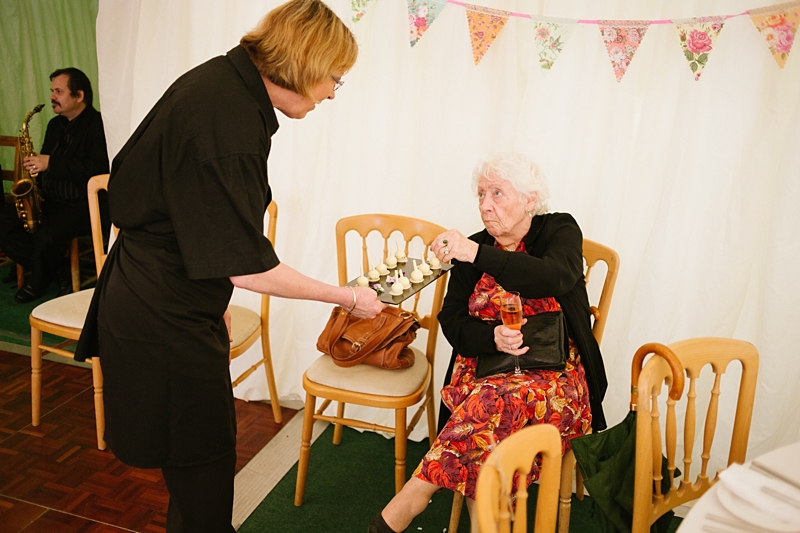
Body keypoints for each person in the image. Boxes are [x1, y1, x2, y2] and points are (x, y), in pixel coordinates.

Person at [75, 1, 384, 532]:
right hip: (161, 310)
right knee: (204, 469)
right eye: (335, 78)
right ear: (305, 66)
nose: (334, 91)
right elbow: (248, 267)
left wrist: (208, 292)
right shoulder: (230, 123)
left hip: (165, 292)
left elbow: (188, 214)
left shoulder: (219, 83)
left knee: (197, 470)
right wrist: (348, 297)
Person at [369, 152, 608, 533]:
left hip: (555, 376)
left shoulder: (557, 229)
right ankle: (491, 520)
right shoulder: (473, 247)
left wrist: (476, 253)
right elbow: (453, 321)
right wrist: (492, 336)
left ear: (530, 199)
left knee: (492, 405)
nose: (484, 205)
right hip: (484, 367)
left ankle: (411, 500)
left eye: (497, 193)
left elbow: (554, 278)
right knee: (490, 404)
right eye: (481, 194)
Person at [0, 67, 109, 303]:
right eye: (52, 91)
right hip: (50, 200)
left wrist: (50, 163)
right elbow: (48, 164)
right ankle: (57, 269)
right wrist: (36, 169)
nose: (52, 96)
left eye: (58, 91)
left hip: (82, 204)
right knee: (3, 221)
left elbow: (99, 168)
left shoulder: (98, 124)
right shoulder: (54, 125)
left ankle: (38, 282)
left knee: (47, 237)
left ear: (79, 96)